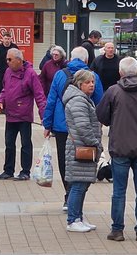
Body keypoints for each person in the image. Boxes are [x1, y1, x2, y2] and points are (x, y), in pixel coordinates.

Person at [96, 56, 137, 242]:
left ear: (120, 72)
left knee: (119, 191)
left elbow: (102, 115)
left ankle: (117, 230)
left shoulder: (113, 91)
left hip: (120, 146)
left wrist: (114, 122)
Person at [41, 46, 103, 203]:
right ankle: (77, 195)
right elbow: (100, 102)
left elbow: (51, 100)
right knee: (84, 161)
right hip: (84, 124)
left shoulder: (59, 75)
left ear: (69, 58)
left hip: (61, 125)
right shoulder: (92, 76)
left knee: (65, 159)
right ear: (86, 59)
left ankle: (68, 193)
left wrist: (47, 124)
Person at [0, 48, 46, 180]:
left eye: (9, 59)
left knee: (25, 143)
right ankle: (8, 170)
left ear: (19, 60)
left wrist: (45, 117)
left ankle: (25, 171)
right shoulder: (8, 71)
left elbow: (39, 96)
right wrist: (1, 102)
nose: (7, 62)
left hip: (23, 116)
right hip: (10, 115)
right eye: (7, 59)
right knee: (9, 143)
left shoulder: (30, 74)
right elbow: (5, 89)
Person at [60, 69, 102, 233]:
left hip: (81, 146)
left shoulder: (83, 99)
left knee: (82, 184)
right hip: (81, 147)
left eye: (92, 82)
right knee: (78, 185)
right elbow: (83, 126)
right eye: (87, 82)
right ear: (79, 84)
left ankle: (78, 216)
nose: (91, 85)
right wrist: (95, 143)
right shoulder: (78, 100)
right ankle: (73, 219)